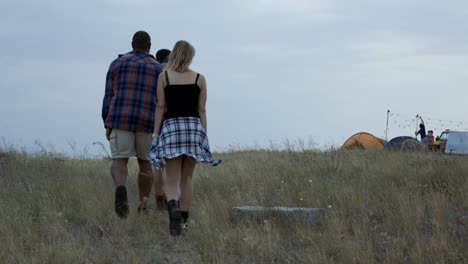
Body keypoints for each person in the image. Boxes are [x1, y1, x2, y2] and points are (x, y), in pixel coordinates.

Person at [149, 40, 215, 236]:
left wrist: (155, 134)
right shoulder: (199, 79)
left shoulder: (164, 77)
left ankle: (172, 210)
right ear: (190, 57)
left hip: (171, 128)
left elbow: (160, 107)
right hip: (194, 129)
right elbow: (202, 110)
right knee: (187, 178)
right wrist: (203, 134)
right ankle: (184, 221)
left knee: (172, 178)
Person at [102, 31, 164, 218]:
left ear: (132, 44)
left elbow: (108, 94)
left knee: (119, 160)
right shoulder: (158, 68)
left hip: (121, 118)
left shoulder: (117, 63)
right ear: (149, 46)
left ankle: (121, 188)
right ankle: (143, 204)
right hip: (147, 121)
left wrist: (107, 122)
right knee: (146, 164)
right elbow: (162, 100)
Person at [153, 49, 171, 210]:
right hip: (171, 120)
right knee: (168, 162)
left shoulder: (153, 71)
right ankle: (168, 196)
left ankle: (158, 196)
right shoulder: (173, 72)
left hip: (154, 120)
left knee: (156, 162)